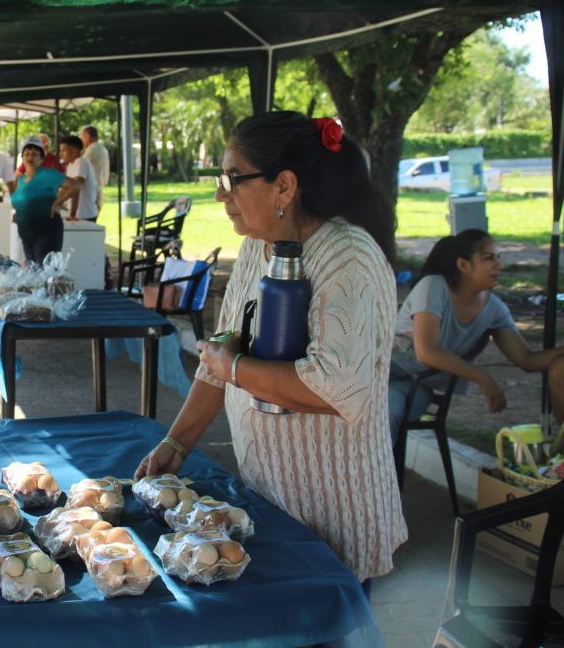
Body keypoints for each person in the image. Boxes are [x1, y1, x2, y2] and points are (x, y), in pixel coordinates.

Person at [135, 111, 406, 587]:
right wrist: (176, 443)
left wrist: (236, 368)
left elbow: (339, 388)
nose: (221, 195)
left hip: (334, 513)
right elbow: (220, 356)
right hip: (272, 501)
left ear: (284, 186)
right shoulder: (258, 246)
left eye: (233, 180)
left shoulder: (348, 257)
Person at [388, 229, 564, 443]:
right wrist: (483, 378)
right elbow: (427, 352)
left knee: (389, 410)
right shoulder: (433, 286)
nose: (498, 265)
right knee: (369, 412)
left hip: (416, 387)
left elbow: (527, 359)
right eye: (489, 258)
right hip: (379, 374)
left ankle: (382, 465)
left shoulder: (495, 309)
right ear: (464, 265)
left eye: (499, 258)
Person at [10, 135, 79, 264]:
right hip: (26, 233)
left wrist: (57, 202)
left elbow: (75, 186)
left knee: (43, 271)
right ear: (22, 157)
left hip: (46, 230)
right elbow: (22, 201)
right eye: (27, 154)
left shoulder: (48, 174)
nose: (30, 157)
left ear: (42, 159)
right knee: (33, 271)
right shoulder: (20, 179)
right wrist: (18, 213)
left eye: (35, 154)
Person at [59, 135, 99, 222]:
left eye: (63, 151)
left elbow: (75, 187)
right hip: (78, 214)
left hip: (85, 215)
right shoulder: (71, 165)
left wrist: (72, 214)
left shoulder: (81, 162)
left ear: (74, 151)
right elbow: (66, 188)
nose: (61, 154)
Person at [80, 125, 110, 212]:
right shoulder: (101, 148)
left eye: (82, 136)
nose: (81, 139)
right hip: (97, 190)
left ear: (87, 136)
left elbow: (80, 165)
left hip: (91, 191)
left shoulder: (92, 149)